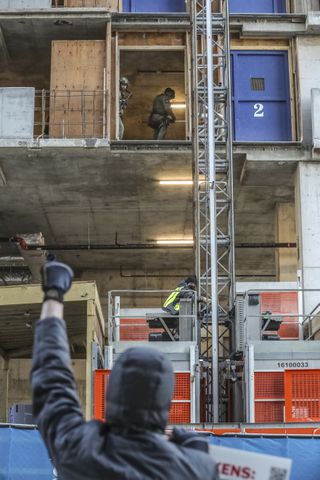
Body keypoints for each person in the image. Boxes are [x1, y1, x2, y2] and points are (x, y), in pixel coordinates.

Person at [31, 258, 219, 480]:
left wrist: (53, 295)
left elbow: (52, 380)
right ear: (167, 402)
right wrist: (191, 448)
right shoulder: (197, 469)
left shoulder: (80, 450)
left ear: (111, 391)